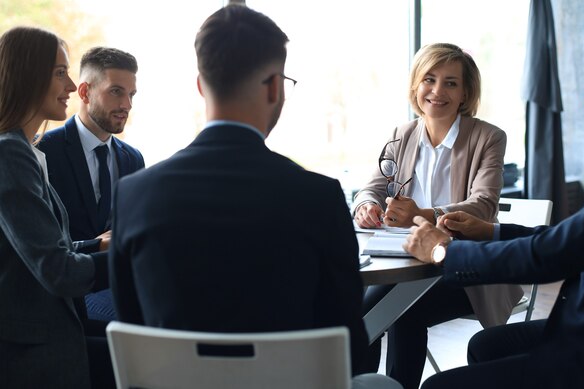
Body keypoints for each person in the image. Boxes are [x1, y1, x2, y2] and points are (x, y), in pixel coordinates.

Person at [108, 6, 399, 387]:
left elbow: (133, 331)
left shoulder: (133, 194)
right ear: (275, 87)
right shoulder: (319, 197)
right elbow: (349, 351)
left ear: (201, 84)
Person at [404, 29, 584, 389]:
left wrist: (443, 250)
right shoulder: (403, 135)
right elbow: (570, 239)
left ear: (465, 93)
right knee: (485, 345)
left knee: (435, 386)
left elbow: (556, 252)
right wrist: (489, 230)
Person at [352, 42, 522, 387]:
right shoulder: (401, 136)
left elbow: (484, 205)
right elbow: (370, 189)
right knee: (361, 312)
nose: (437, 91)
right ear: (416, 86)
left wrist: (425, 215)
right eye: (429, 79)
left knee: (401, 310)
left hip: (465, 267)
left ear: (465, 93)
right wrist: (366, 206)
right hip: (404, 261)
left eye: (451, 82)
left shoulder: (488, 137)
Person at [0, 26, 114, 388]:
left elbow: (32, 252)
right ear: (28, 76)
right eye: (60, 73)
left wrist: (97, 245)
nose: (70, 86)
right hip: (32, 356)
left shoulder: (26, 149)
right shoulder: (10, 152)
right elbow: (57, 270)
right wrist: (133, 258)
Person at [38, 46, 144, 323]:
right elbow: (40, 249)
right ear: (84, 92)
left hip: (119, 281)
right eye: (116, 91)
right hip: (65, 291)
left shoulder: (133, 159)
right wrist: (96, 245)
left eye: (131, 95)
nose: (127, 105)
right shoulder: (42, 151)